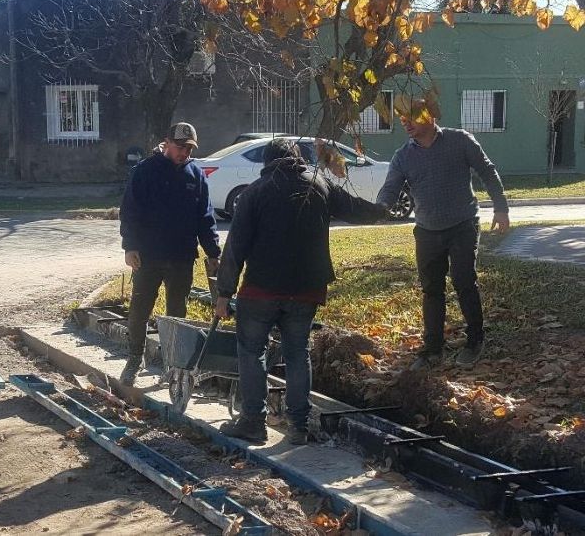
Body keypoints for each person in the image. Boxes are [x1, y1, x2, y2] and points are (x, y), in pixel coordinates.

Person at [215, 138, 388, 445]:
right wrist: (384, 209)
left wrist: (224, 294)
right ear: (298, 158)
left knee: (252, 352)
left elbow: (235, 247)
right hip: (306, 290)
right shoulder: (318, 185)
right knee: (297, 353)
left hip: (261, 290)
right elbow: (357, 210)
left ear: (266, 162)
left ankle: (254, 422)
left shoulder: (256, 191)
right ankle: (299, 425)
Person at [377, 97, 509, 371]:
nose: (406, 123)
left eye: (411, 117)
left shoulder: (460, 141)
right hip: (426, 231)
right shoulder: (403, 156)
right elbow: (390, 189)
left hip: (462, 225)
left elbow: (487, 171)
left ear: (429, 116)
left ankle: (474, 341)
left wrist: (501, 208)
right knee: (431, 290)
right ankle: (433, 349)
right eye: (402, 119)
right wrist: (379, 208)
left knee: (464, 281)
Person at [119, 122, 221, 386]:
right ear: (167, 143)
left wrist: (213, 252)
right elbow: (130, 212)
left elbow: (205, 218)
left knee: (177, 313)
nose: (184, 153)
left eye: (189, 148)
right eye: (180, 147)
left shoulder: (196, 175)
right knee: (139, 310)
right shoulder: (144, 172)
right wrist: (129, 247)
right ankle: (134, 358)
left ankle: (173, 364)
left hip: (181, 257)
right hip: (147, 256)